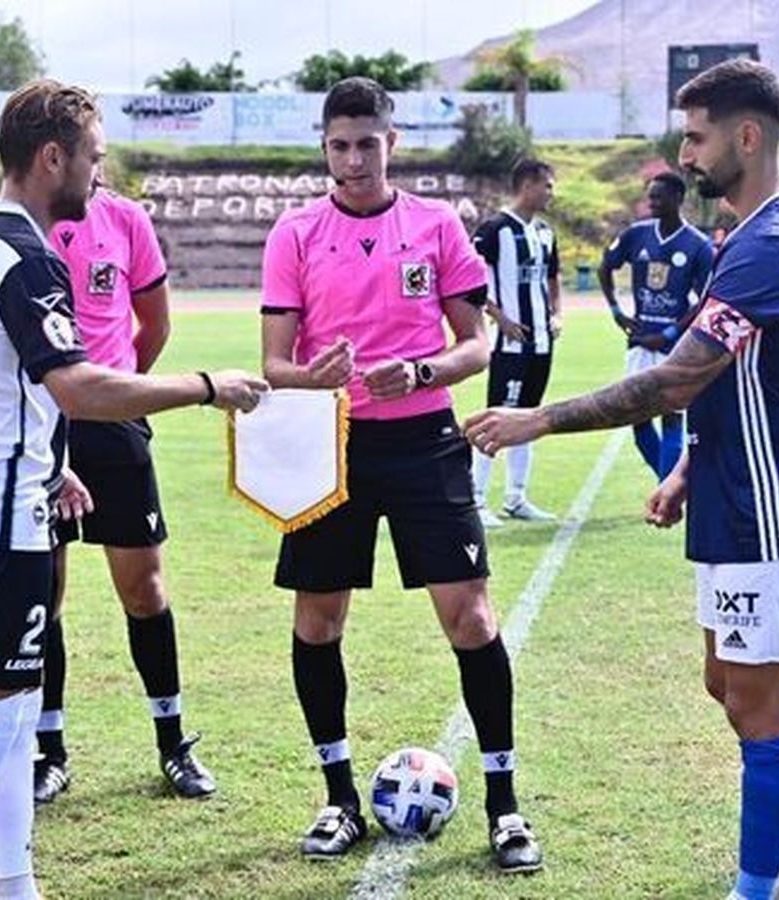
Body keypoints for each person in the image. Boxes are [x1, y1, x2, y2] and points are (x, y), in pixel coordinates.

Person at [464, 59, 779, 900]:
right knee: (735, 687)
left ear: (747, 137)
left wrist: (540, 418)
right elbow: (734, 384)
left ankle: (766, 886)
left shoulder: (776, 243)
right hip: (730, 492)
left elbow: (676, 379)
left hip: (775, 506)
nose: (685, 152)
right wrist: (685, 467)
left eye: (697, 135)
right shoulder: (744, 237)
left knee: (756, 703)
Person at [0, 79, 266, 900]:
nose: (99, 179)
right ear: (52, 157)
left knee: (10, 723)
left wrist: (46, 458)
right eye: (94, 160)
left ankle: (16, 886)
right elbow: (78, 388)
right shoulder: (28, 256)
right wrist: (206, 386)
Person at [259, 76, 542, 873]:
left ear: (393, 142)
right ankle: (338, 798)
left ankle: (505, 806)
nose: (353, 160)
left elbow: (477, 345)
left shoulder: (437, 225)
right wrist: (313, 374)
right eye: (339, 145)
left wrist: (419, 372)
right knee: (318, 622)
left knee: (472, 619)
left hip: (424, 439)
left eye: (367, 143)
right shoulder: (296, 234)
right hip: (332, 444)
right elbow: (274, 364)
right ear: (324, 146)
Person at [33, 182, 214, 804]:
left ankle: (172, 743)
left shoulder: (125, 219)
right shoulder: (21, 221)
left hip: (114, 426)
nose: (95, 168)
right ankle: (47, 751)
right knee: (43, 593)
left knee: (145, 589)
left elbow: (155, 321)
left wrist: (117, 390)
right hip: (40, 427)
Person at [597, 171, 715, 480]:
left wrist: (669, 333)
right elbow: (605, 266)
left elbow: (706, 300)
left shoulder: (698, 246)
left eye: (658, 196)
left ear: (678, 199)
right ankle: (669, 485)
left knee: (672, 418)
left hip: (674, 346)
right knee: (637, 420)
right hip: (638, 340)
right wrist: (616, 311)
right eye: (649, 196)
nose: (651, 202)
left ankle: (668, 489)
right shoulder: (636, 235)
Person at [469, 157, 562, 527]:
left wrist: (557, 315)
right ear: (528, 186)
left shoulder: (544, 232)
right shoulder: (494, 230)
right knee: (498, 416)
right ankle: (475, 500)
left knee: (529, 418)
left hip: (541, 343)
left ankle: (516, 497)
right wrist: (499, 316)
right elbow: (471, 281)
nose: (551, 193)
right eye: (548, 186)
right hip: (508, 344)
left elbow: (553, 279)